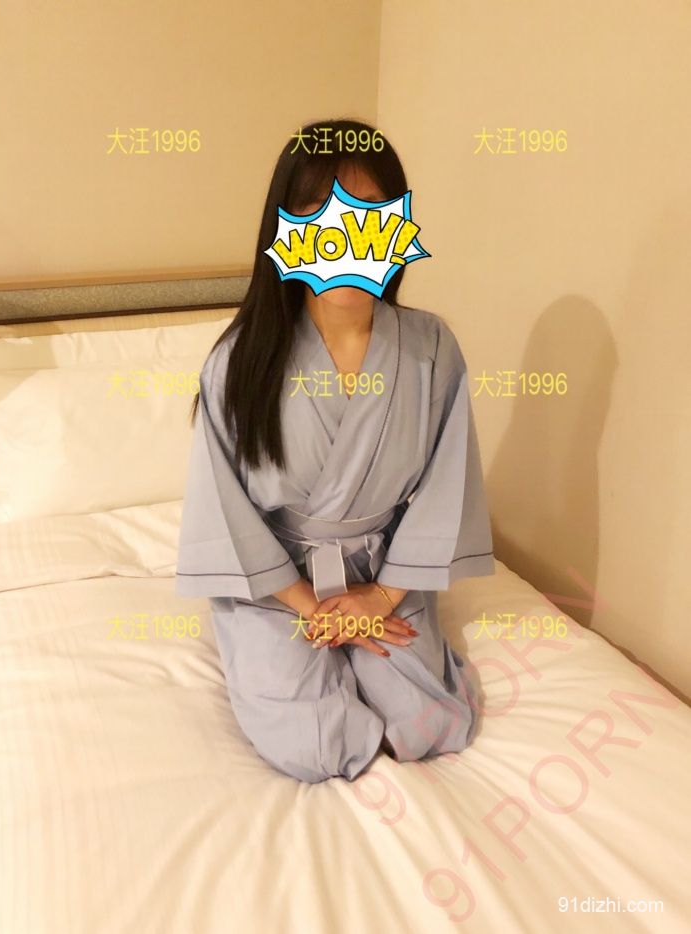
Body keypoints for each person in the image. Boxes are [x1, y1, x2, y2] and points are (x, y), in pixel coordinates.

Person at [175, 118, 495, 783]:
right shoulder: (238, 362)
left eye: (371, 212)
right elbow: (224, 509)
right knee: (314, 745)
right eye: (323, 212)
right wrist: (312, 610)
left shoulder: (432, 349)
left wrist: (380, 599)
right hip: (277, 583)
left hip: (384, 571)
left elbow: (446, 484)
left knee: (431, 725)